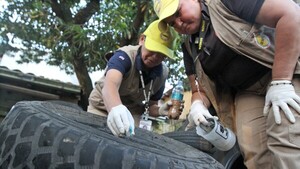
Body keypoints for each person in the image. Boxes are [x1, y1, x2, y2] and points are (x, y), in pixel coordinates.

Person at [153, 0, 300, 168]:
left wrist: (281, 80)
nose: (179, 23)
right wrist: (197, 105)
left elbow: (290, 14)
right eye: (172, 23)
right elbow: (198, 88)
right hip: (248, 92)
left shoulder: (226, 3)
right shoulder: (189, 48)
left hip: (283, 73)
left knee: (284, 134)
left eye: (178, 12)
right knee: (253, 151)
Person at [88, 20, 180, 137]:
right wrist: (115, 108)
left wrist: (160, 110)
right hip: (101, 108)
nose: (155, 57)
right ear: (142, 40)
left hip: (131, 113)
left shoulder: (162, 73)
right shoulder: (123, 56)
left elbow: (150, 106)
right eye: (153, 49)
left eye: (162, 54)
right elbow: (110, 86)